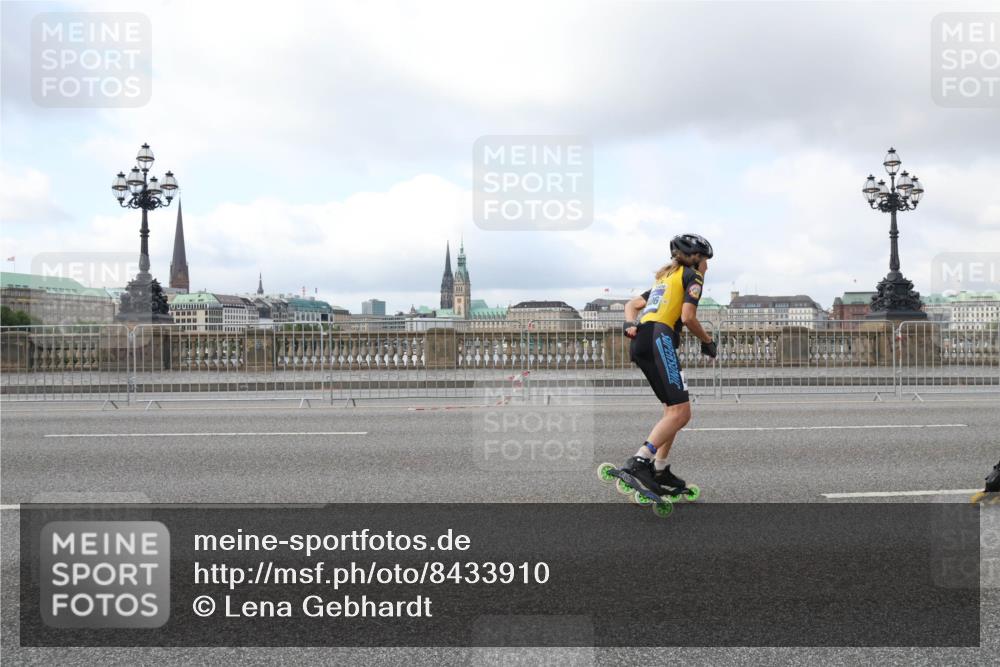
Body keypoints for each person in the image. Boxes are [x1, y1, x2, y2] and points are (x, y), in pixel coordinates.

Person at [618, 233, 717, 495]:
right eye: (706, 260)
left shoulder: (664, 279)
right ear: (696, 260)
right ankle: (640, 461)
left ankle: (659, 468)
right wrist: (707, 341)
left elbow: (632, 305)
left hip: (642, 341)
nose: (707, 266)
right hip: (660, 338)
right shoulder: (693, 277)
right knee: (682, 413)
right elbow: (687, 317)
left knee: (671, 411)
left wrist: (630, 323)